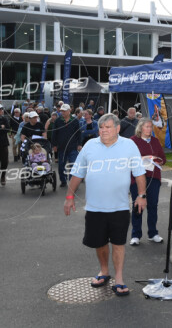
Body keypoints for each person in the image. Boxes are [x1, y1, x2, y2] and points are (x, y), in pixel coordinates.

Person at [64, 114, 147, 297]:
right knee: (99, 243)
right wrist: (69, 196)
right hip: (95, 207)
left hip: (119, 207)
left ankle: (119, 279)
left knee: (118, 243)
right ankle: (104, 271)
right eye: (101, 127)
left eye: (108, 127)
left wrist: (141, 195)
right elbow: (77, 173)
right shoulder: (89, 145)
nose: (103, 131)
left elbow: (139, 173)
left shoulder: (129, 145)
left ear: (117, 128)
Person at [128, 118, 167, 246]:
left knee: (153, 205)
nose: (149, 129)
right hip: (137, 178)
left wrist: (157, 160)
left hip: (154, 177)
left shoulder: (155, 141)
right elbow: (128, 158)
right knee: (138, 206)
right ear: (140, 128)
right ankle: (135, 235)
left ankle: (153, 233)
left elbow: (163, 158)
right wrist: (144, 158)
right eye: (147, 127)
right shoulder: (133, 141)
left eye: (150, 127)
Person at [52, 104, 82, 188]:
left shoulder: (75, 121)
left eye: (64, 111)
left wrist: (79, 144)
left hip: (73, 147)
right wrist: (54, 145)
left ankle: (72, 181)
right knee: (61, 165)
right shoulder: (58, 121)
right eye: (62, 111)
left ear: (69, 111)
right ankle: (63, 180)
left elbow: (78, 133)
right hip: (61, 147)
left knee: (73, 165)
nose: (63, 112)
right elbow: (54, 133)